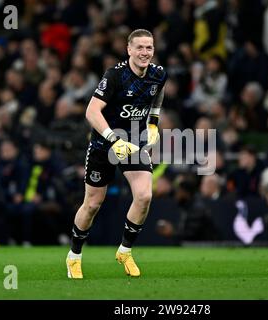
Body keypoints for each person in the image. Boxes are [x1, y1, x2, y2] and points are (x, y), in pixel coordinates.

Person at [66, 29, 168, 279]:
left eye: (149, 48)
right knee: (92, 204)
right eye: (140, 48)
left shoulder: (159, 75)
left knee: (144, 196)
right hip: (104, 145)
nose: (145, 53)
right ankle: (74, 256)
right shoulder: (115, 76)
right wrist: (113, 139)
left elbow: (157, 97)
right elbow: (92, 111)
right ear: (129, 50)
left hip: (134, 143)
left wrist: (153, 123)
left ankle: (125, 251)